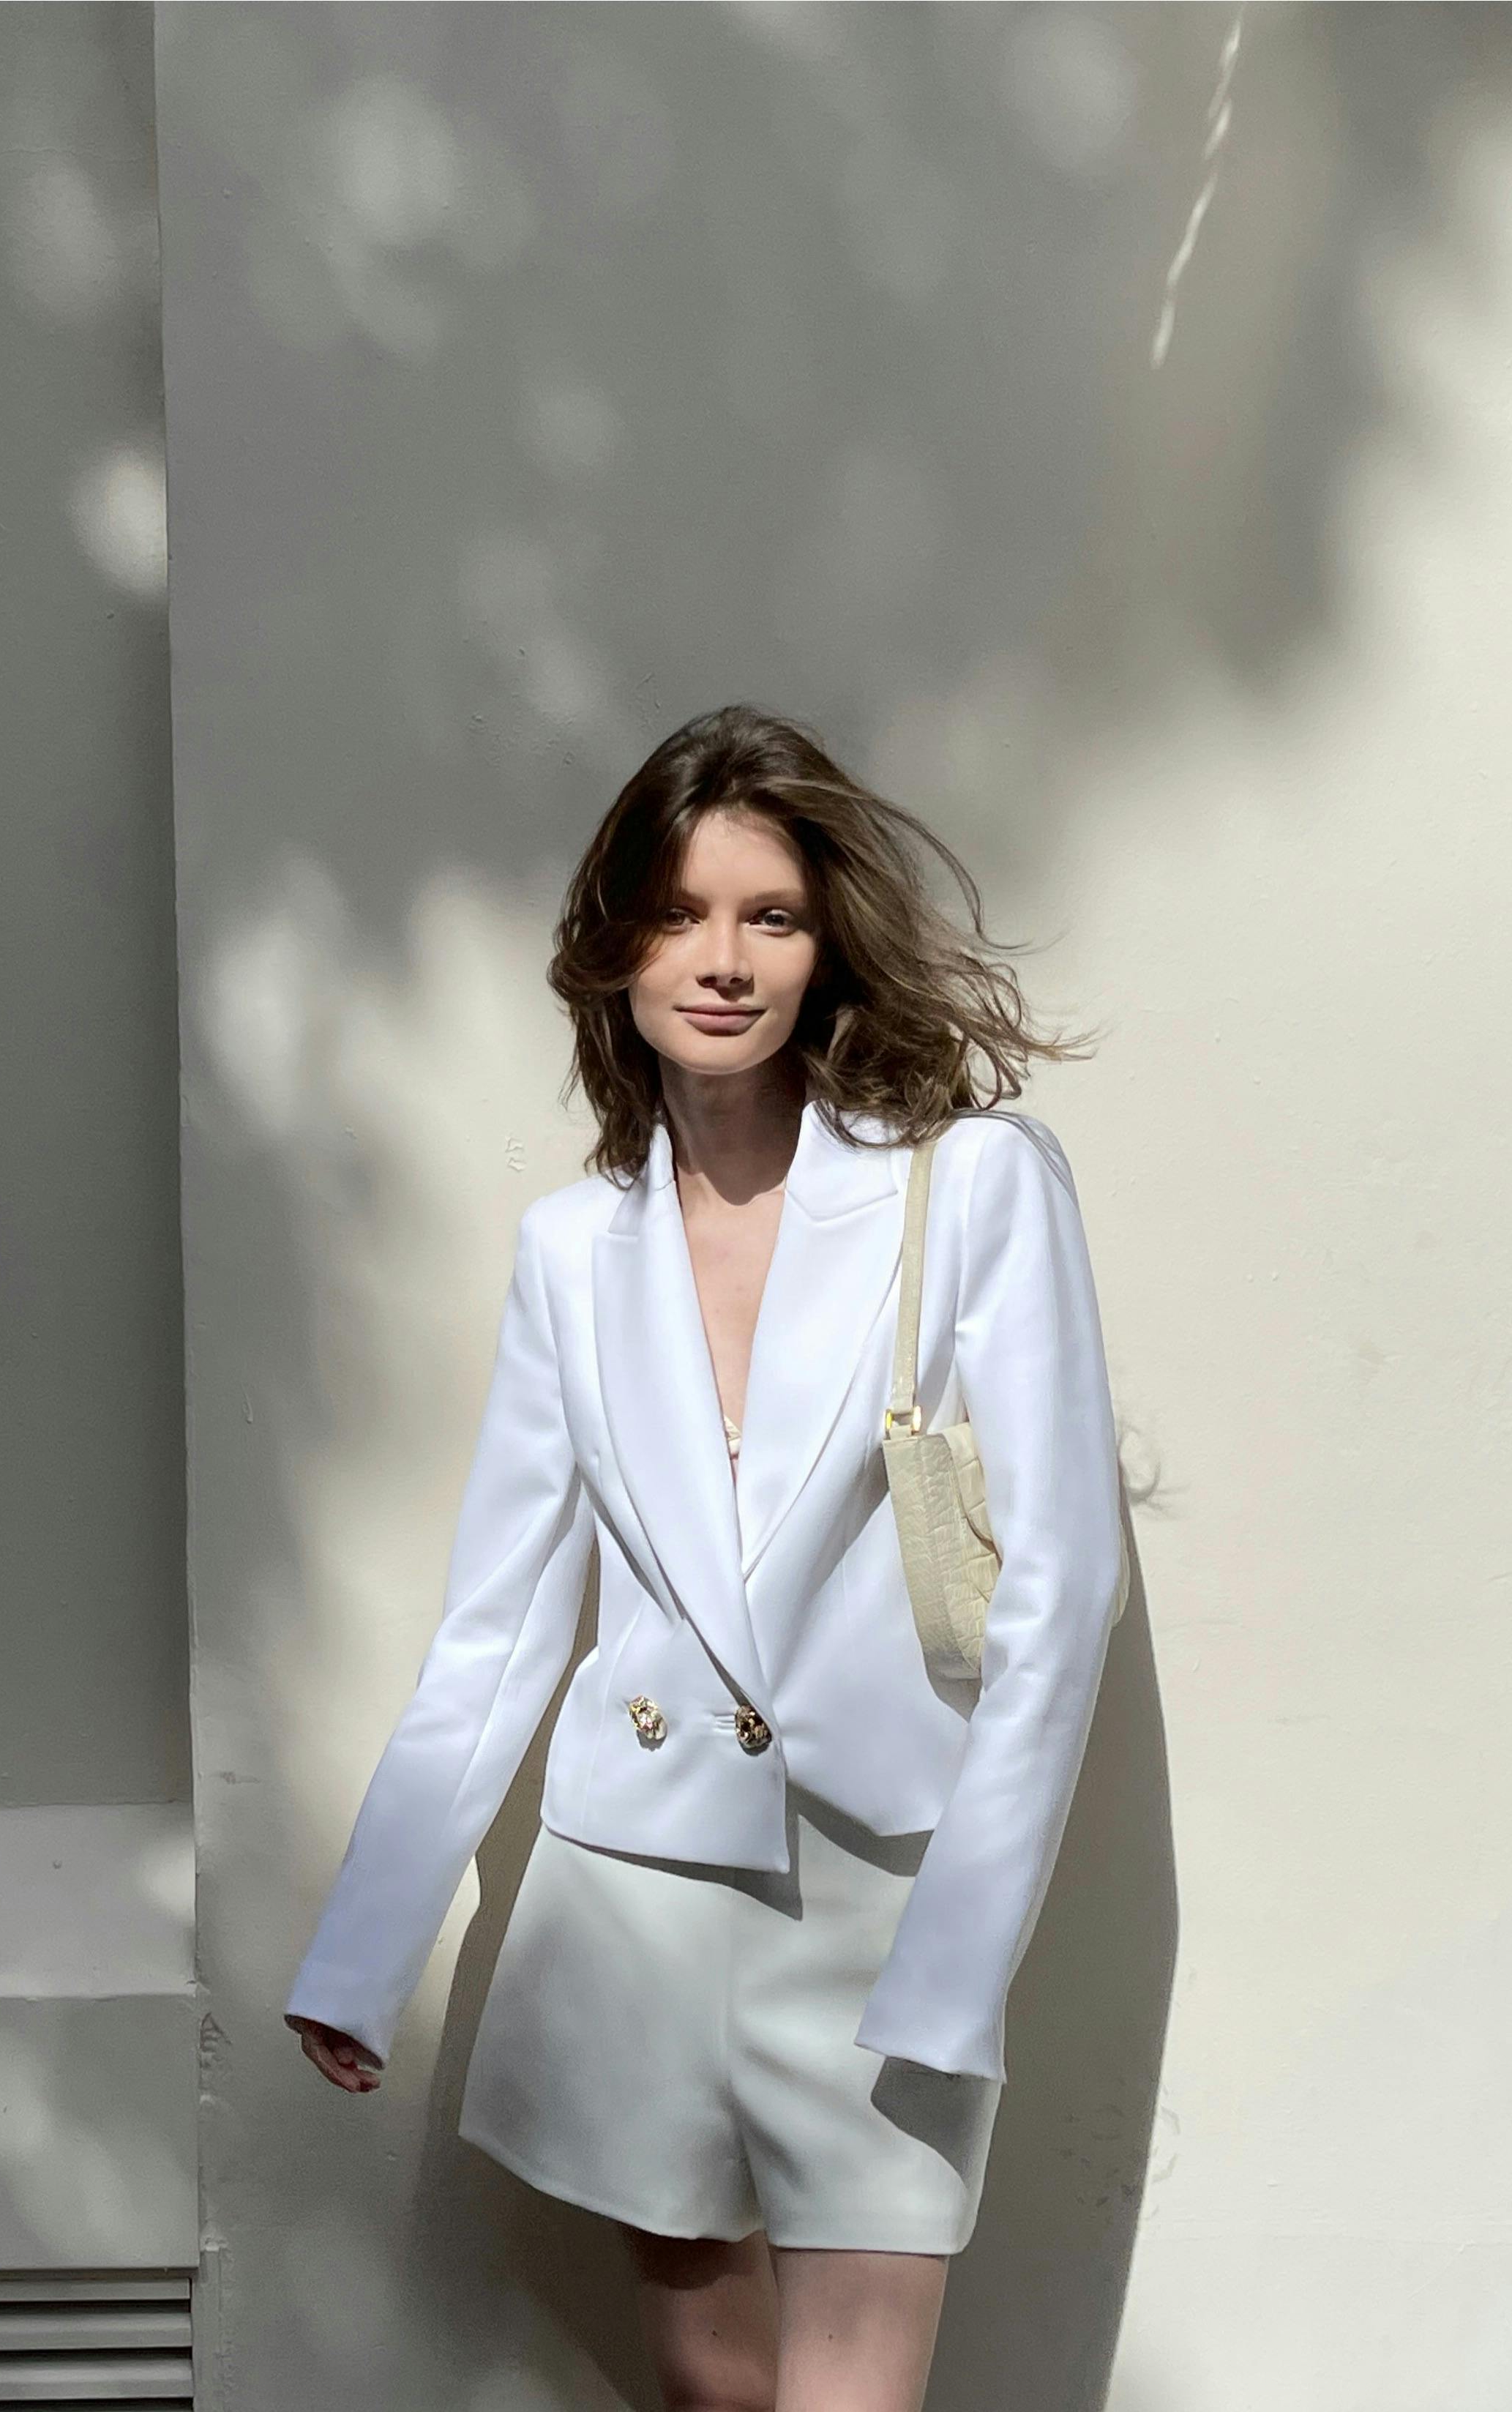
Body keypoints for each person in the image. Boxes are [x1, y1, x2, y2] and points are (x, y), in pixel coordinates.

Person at [284, 702, 1129, 2412]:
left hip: (879, 1895)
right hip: (635, 1899)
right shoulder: (570, 1251)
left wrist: (960, 1951)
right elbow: (501, 1621)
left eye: (771, 915)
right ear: (611, 949)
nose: (722, 960)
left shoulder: (969, 1189)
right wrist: (366, 1942)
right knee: (706, 2393)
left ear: (828, 948)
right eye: (676, 914)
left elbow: (1061, 1592)